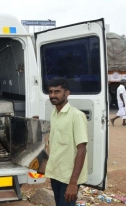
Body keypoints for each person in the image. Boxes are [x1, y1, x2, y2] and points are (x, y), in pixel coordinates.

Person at [45, 77, 88, 206]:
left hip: (69, 177)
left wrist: (73, 183)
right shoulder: (54, 114)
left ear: (67, 93)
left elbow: (82, 149)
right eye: (51, 92)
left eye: (57, 91)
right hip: (56, 174)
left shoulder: (76, 116)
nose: (53, 95)